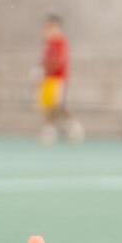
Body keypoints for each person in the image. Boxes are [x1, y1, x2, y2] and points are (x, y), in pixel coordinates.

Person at [38, 14, 83, 145]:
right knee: (47, 107)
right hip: (48, 79)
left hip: (57, 79)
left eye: (50, 26)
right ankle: (50, 129)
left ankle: (73, 126)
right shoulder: (48, 43)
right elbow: (44, 60)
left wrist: (49, 67)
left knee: (58, 106)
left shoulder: (60, 42)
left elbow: (59, 61)